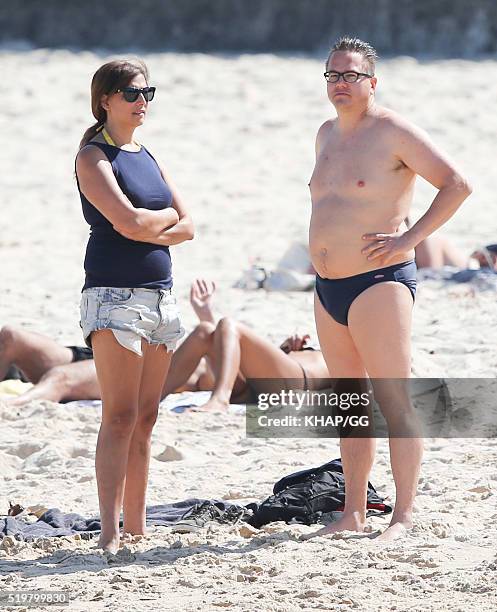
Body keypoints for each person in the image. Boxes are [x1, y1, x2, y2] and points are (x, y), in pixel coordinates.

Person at [308, 37, 472, 542]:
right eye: (333, 75)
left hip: (380, 282)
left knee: (394, 400)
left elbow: (456, 184)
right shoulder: (325, 134)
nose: (340, 83)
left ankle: (401, 516)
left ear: (372, 82)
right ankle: (353, 510)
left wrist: (409, 239)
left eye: (351, 75)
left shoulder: (393, 131)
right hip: (327, 286)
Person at [75, 59, 194, 553]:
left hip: (160, 296)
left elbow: (188, 226)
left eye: (148, 92)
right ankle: (108, 533)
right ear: (106, 99)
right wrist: (159, 219)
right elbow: (126, 224)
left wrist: (157, 218)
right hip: (112, 296)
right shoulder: (92, 157)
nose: (141, 100)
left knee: (147, 416)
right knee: (119, 417)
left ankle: (138, 526)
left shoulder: (146, 154)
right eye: (131, 93)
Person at [0, 280, 330, 409]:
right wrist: (205, 315)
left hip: (147, 366)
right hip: (143, 360)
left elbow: (227, 343)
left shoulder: (235, 367)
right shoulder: (224, 351)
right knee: (12, 338)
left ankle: (219, 401)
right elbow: (215, 340)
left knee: (60, 378)